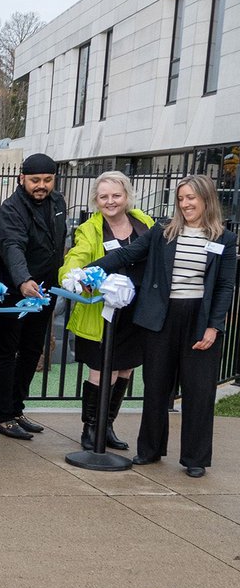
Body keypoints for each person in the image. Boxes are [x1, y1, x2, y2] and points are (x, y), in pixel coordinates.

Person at [89, 175, 236, 478]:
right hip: (162, 318)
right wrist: (87, 270)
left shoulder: (224, 238)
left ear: (206, 199)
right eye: (181, 198)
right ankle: (150, 450)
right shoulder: (163, 232)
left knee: (199, 390)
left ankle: (195, 458)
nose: (186, 204)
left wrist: (213, 327)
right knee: (156, 386)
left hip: (199, 318)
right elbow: (127, 254)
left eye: (191, 198)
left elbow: (224, 286)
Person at [58, 171, 153, 450]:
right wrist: (71, 276)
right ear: (96, 201)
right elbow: (76, 257)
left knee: (125, 370)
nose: (110, 201)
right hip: (102, 313)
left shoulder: (144, 222)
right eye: (104, 197)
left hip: (135, 313)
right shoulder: (90, 229)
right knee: (103, 371)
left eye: (116, 195)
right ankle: (91, 427)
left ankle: (107, 425)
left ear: (126, 196)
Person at [0, 153, 67, 440]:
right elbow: (12, 245)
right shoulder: (12, 209)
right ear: (21, 178)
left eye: (47, 180)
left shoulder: (58, 203)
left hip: (45, 292)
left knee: (33, 350)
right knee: (7, 351)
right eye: (35, 180)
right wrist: (23, 280)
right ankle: (3, 416)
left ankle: (17, 408)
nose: (41, 186)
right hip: (16, 292)